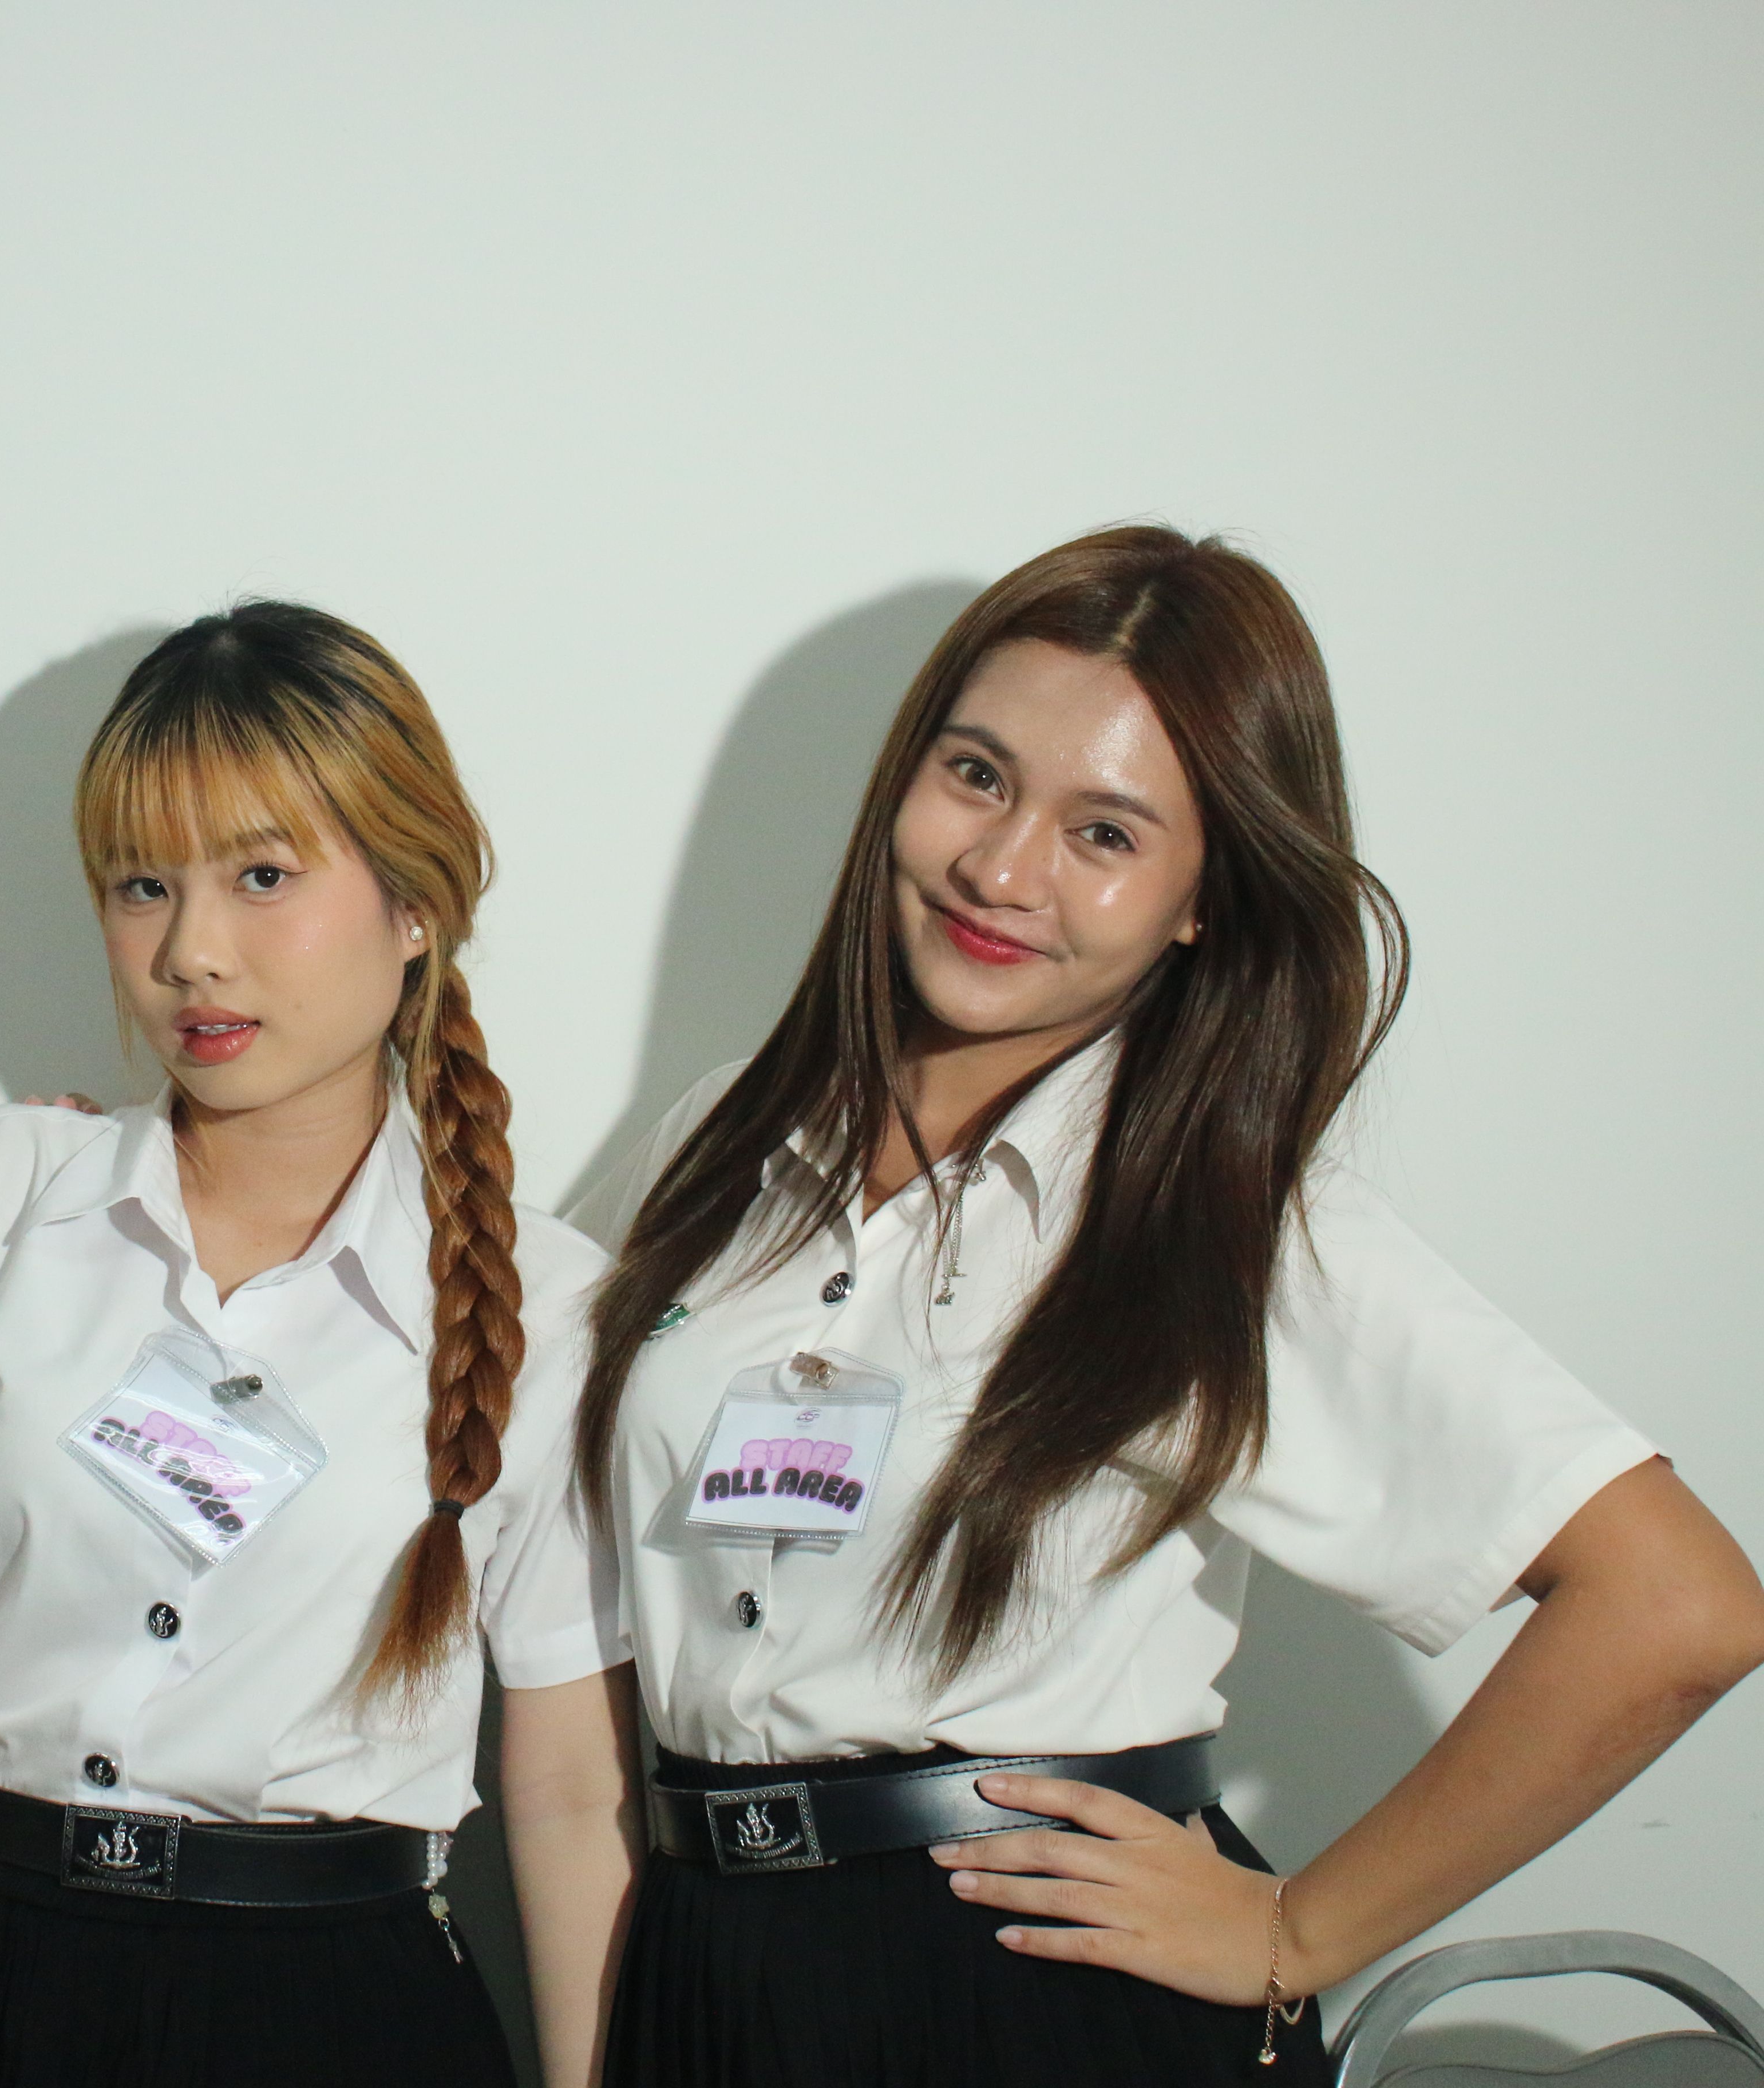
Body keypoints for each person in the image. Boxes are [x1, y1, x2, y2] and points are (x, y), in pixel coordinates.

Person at [569, 525, 1764, 2086]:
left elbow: (1677, 1606)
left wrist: (1298, 1932)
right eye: (977, 776)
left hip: (1029, 1986)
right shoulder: (718, 1136)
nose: (1004, 871)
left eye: (1106, 832)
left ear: (1204, 899)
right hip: (702, 1958)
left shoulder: (1230, 1227)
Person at [0, 602, 643, 2088]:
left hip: (338, 2012)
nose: (192, 953)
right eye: (142, 886)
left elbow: (574, 1796)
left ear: (416, 903)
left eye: (263, 877)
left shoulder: (554, 1309)